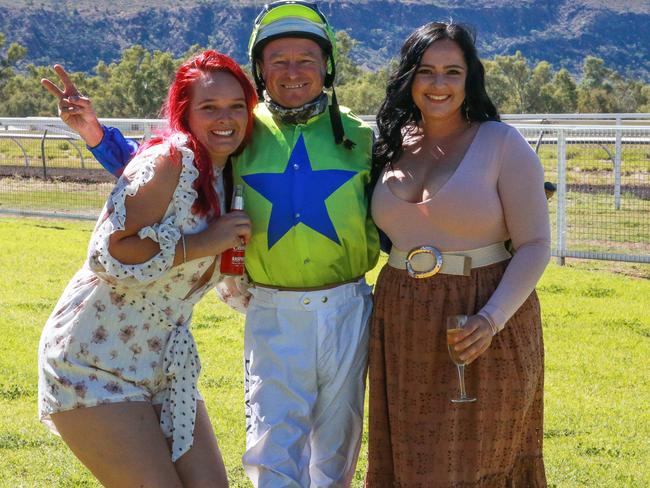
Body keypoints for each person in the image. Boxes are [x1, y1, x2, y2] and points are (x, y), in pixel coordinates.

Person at [67, 2, 379, 486]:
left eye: (306, 59)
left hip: (349, 307)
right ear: (260, 69)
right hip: (272, 309)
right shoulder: (244, 128)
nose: (293, 72)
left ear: (328, 66)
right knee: (274, 446)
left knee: (338, 449)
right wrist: (98, 136)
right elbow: (160, 168)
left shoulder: (360, 136)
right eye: (279, 61)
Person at [37, 50, 257, 488]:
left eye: (236, 106)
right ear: (184, 113)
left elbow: (230, 287)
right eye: (209, 107)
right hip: (93, 363)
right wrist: (200, 244)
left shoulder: (229, 175)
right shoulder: (168, 161)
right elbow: (104, 255)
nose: (225, 118)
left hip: (165, 366)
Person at [366, 22, 550, 487]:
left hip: (484, 316)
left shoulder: (502, 144)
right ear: (409, 77)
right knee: (410, 456)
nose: (439, 84)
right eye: (426, 71)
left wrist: (491, 320)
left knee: (479, 460)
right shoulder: (390, 144)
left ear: (470, 78)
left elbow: (535, 245)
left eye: (453, 71)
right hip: (401, 318)